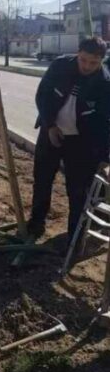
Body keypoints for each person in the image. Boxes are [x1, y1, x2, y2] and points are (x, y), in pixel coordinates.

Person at [30, 37, 110, 240]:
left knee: (78, 190)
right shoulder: (60, 66)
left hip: (81, 142)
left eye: (93, 63)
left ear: (102, 60)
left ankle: (74, 234)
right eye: (83, 60)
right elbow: (43, 96)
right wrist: (50, 125)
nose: (87, 66)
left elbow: (104, 122)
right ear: (78, 53)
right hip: (51, 132)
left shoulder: (104, 83)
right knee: (42, 179)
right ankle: (36, 223)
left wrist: (103, 156)